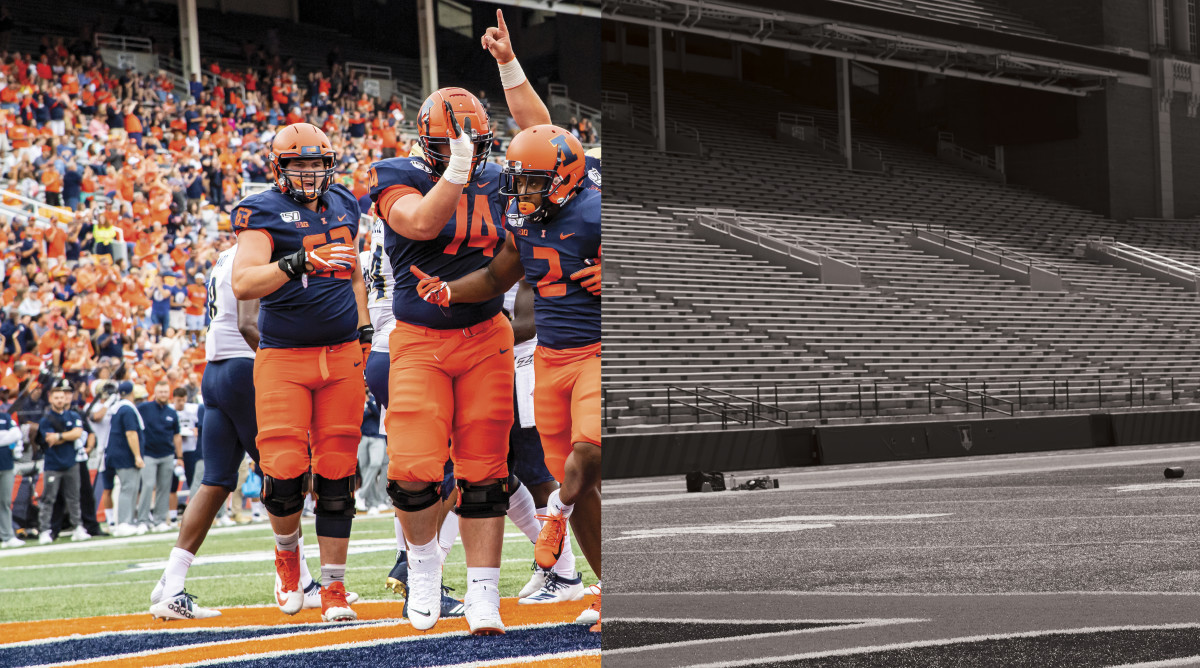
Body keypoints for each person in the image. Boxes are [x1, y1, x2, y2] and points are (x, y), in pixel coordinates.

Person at [365, 8, 553, 635]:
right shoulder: (396, 175)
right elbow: (419, 223)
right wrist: (455, 168)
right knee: (414, 471)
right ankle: (422, 567)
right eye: (451, 143)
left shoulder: (499, 176)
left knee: (485, 471)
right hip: (418, 341)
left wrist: (508, 65)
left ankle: (482, 595)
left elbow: (546, 137)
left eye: (472, 143)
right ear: (428, 143)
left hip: (487, 337)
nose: (468, 152)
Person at [414, 125, 601, 631]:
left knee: (592, 448)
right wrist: (450, 292)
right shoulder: (524, 220)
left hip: (595, 352)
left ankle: (554, 514)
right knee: (578, 479)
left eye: (532, 183)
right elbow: (499, 276)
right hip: (549, 360)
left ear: (564, 178)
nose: (521, 193)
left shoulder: (596, 209)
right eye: (517, 183)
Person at [150, 244, 360, 620]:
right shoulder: (256, 252)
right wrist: (281, 370)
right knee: (283, 476)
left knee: (216, 482)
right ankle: (302, 581)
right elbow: (249, 323)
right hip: (246, 369)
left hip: (216, 372)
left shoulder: (225, 256)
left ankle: (171, 581)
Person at [232, 122, 370, 623]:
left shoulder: (344, 204)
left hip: (341, 355)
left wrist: (366, 325)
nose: (310, 174)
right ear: (280, 167)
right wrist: (298, 262)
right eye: (299, 165)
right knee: (285, 469)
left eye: (317, 164)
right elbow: (245, 283)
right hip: (285, 356)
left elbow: (354, 271)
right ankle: (287, 557)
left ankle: (333, 588)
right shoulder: (261, 210)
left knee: (337, 473)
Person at [37, 378, 89, 543]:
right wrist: (68, 436)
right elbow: (48, 440)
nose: (60, 400)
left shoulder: (73, 415)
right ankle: (44, 530)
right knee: (48, 498)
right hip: (53, 464)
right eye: (57, 397)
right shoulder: (46, 420)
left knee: (74, 497)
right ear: (51, 399)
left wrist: (60, 436)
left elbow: (77, 433)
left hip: (70, 462)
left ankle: (78, 527)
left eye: (62, 397)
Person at [137, 380, 183, 533]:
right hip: (148, 454)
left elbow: (177, 435)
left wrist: (180, 456)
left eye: (165, 392)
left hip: (167, 454)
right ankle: (142, 520)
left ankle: (160, 520)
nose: (163, 394)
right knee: (148, 485)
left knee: (165, 488)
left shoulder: (171, 412)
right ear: (155, 393)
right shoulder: (144, 408)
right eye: (160, 392)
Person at [106, 382, 147, 537]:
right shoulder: (127, 409)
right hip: (126, 455)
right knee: (128, 488)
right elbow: (131, 433)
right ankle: (123, 522)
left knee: (130, 488)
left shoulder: (119, 407)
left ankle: (128, 521)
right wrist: (137, 455)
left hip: (119, 454)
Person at [0, 402, 22, 547]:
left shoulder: (5, 417)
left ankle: (7, 535)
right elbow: (10, 435)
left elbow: (17, 434)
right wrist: (5, 436)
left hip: (6, 465)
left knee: (5, 502)